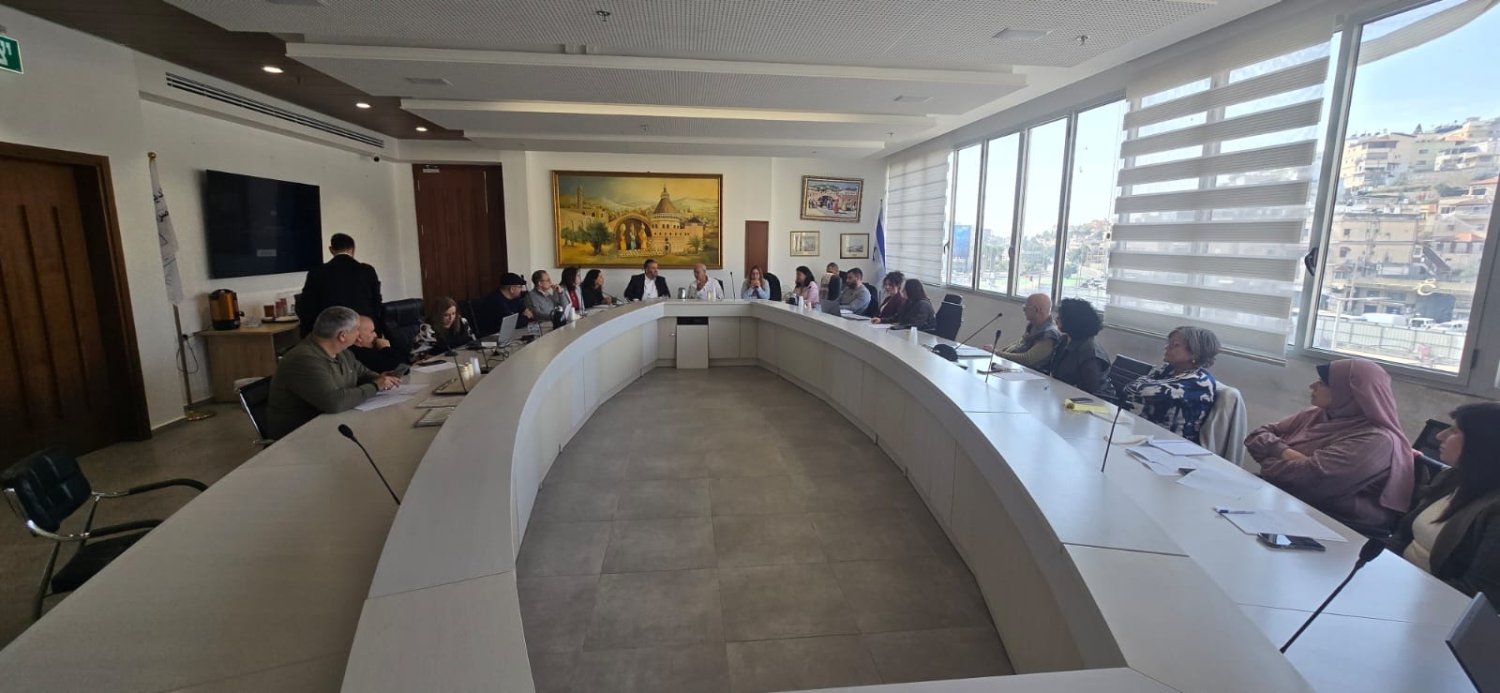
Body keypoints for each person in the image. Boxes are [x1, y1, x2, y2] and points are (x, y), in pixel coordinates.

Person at [1248, 359, 1415, 530]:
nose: (1312, 386)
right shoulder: (1317, 414)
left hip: (1338, 524)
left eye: (1322, 383)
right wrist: (1288, 454)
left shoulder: (1376, 440)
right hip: (1291, 502)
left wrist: (1268, 457)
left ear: (1349, 391)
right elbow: (1256, 436)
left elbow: (1310, 484)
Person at [1393, 402, 1500, 599]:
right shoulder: (1452, 478)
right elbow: (1401, 538)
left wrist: (1398, 589)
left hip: (1432, 602)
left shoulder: (1494, 509)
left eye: (1454, 431)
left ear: (1483, 444)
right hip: (1397, 580)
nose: (1440, 436)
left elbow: (1477, 592)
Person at [266, 307, 398, 439]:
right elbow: (335, 402)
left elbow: (362, 373)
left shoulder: (342, 352)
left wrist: (381, 379)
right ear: (343, 336)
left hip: (334, 423)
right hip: (299, 437)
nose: (359, 334)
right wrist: (376, 386)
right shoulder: (304, 359)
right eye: (357, 330)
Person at [1123, 326, 1220, 444]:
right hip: (1147, 434)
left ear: (1195, 353)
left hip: (1172, 444)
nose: (1167, 347)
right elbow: (1131, 387)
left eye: (1175, 345)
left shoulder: (1199, 382)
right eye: (1169, 343)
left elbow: (1142, 391)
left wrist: (1146, 384)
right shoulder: (1169, 369)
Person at [297, 233, 382, 337]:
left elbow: (307, 307)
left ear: (331, 250)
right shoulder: (367, 271)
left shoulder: (317, 273)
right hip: (362, 333)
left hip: (332, 334)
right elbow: (376, 303)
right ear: (353, 249)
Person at [1047, 298, 1111, 396]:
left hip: (1089, 399)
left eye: (1061, 317)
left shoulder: (1089, 351)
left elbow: (1090, 388)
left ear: (1073, 321)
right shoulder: (1065, 339)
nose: (1056, 319)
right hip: (1062, 391)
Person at [986, 294, 1061, 370]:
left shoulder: (1050, 334)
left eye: (1026, 307)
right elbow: (1018, 345)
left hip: (1031, 373)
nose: (1023, 310)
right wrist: (997, 351)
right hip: (1015, 367)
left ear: (1037, 310)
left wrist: (997, 353)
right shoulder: (1034, 325)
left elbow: (1027, 359)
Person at [411, 296, 476, 361]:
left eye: (453, 314)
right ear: (438, 315)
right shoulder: (428, 328)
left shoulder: (462, 322)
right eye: (446, 315)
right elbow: (416, 355)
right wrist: (440, 358)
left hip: (463, 358)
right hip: (441, 363)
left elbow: (473, 342)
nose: (451, 318)